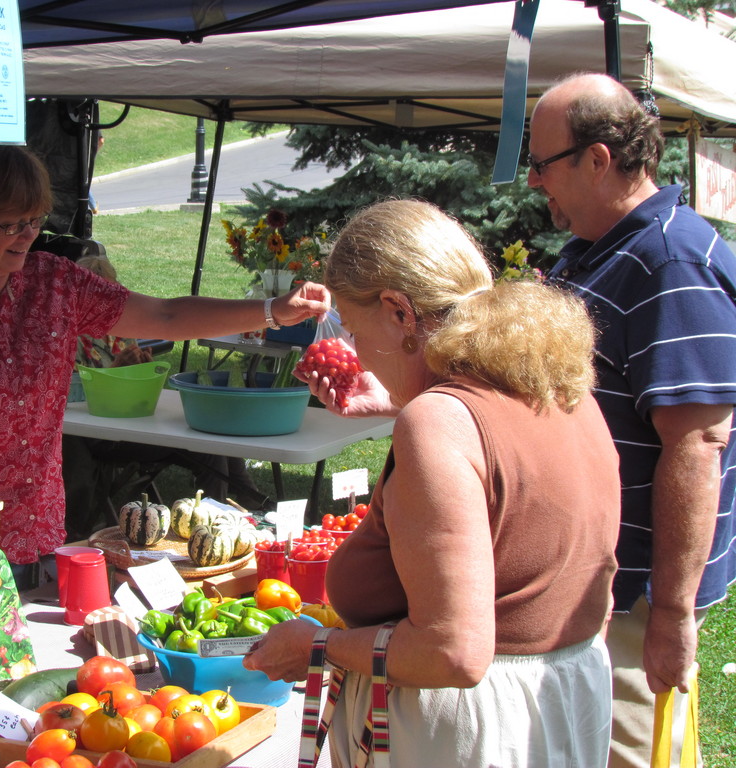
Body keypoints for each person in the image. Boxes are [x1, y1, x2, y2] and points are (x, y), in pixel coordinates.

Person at [0, 144, 325, 589]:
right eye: (11, 223)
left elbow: (166, 313)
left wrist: (272, 312)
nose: (27, 236)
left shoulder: (54, 285)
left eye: (35, 221)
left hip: (35, 533)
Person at [243, 199, 621, 767]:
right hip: (562, 705)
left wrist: (318, 646)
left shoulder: (438, 423)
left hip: (466, 733)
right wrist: (404, 405)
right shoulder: (557, 387)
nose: (353, 349)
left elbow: (454, 652)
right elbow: (504, 465)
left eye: (350, 323)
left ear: (399, 312)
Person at [527, 72, 736, 767]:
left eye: (541, 163)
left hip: (638, 598)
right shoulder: (598, 249)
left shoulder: (668, 261)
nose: (532, 182)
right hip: (594, 584)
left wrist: (673, 614)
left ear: (598, 158)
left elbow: (699, 445)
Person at [62, 254, 270, 540]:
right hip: (101, 434)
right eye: (94, 297)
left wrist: (141, 368)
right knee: (209, 449)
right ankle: (224, 523)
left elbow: (133, 382)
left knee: (211, 439)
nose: (103, 306)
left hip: (135, 419)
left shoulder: (120, 328)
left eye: (108, 295)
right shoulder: (66, 336)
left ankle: (226, 513)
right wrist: (116, 371)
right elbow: (73, 393)